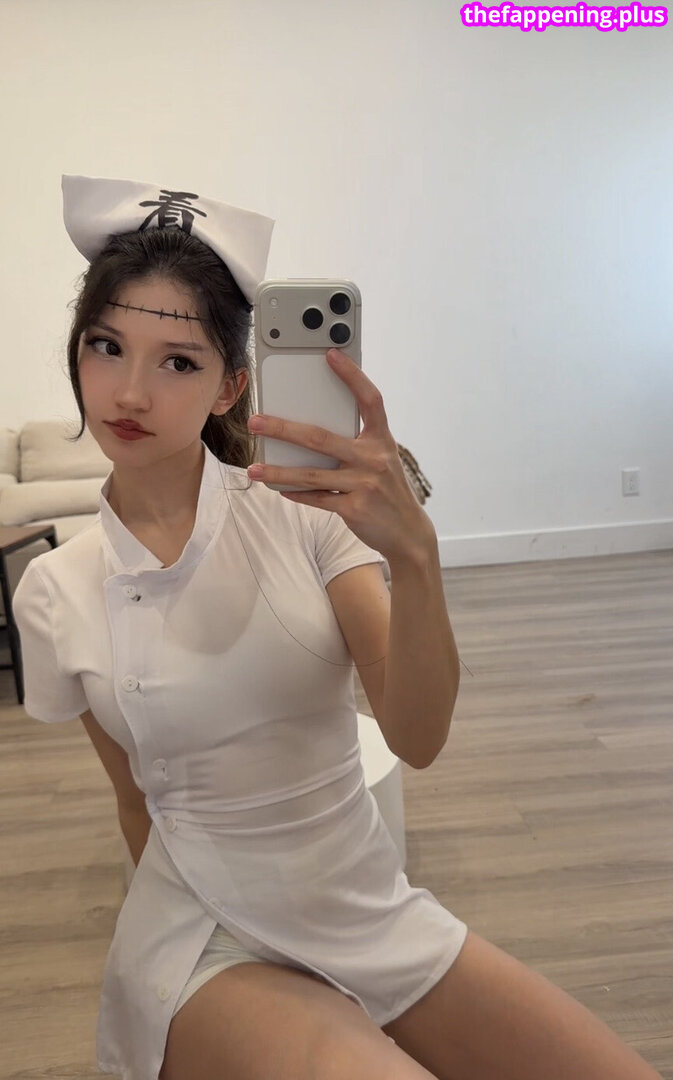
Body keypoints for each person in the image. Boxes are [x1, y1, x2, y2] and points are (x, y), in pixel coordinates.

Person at [12, 174, 662, 1080]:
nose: (128, 391)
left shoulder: (305, 518)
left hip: (360, 903)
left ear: (232, 385)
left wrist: (416, 556)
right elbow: (134, 801)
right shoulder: (55, 590)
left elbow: (417, 737)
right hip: (204, 931)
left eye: (178, 362)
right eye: (106, 346)